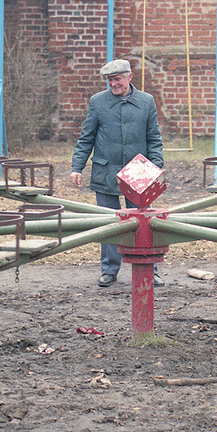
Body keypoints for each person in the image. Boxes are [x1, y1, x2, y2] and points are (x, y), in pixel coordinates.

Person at [70, 59, 164, 287]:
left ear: (129, 77)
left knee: (143, 222)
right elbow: (86, 138)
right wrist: (77, 167)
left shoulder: (147, 102)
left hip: (138, 173)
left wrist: (157, 166)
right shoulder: (98, 103)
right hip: (106, 172)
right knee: (110, 223)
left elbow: (154, 137)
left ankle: (149, 269)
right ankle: (109, 270)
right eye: (110, 80)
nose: (114, 84)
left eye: (118, 79)